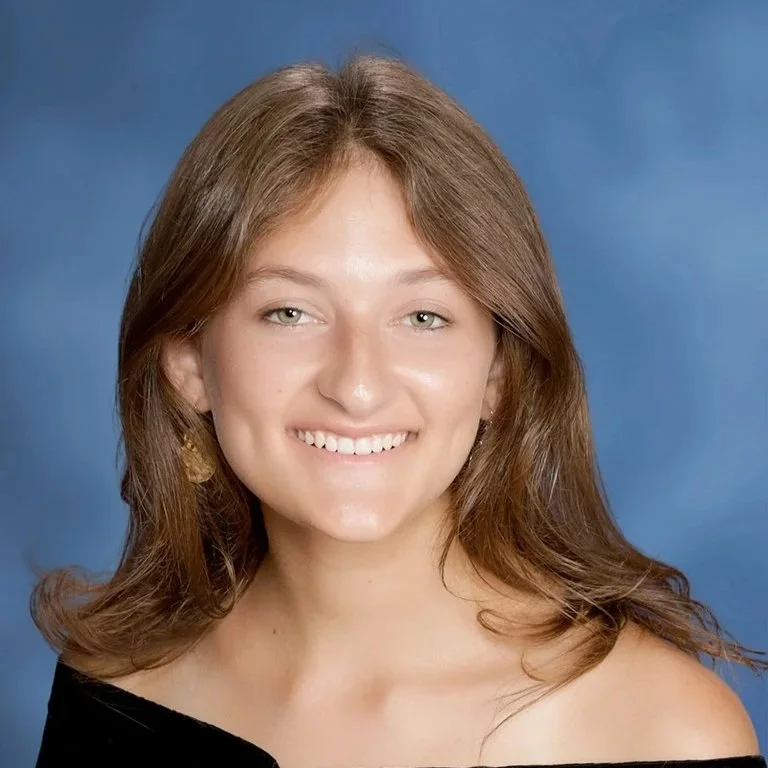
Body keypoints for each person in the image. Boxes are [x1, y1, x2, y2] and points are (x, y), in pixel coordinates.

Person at [32, 53, 766, 768]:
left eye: (422, 317)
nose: (357, 385)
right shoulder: (115, 692)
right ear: (189, 364)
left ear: (498, 375)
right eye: (290, 312)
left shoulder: (660, 732)